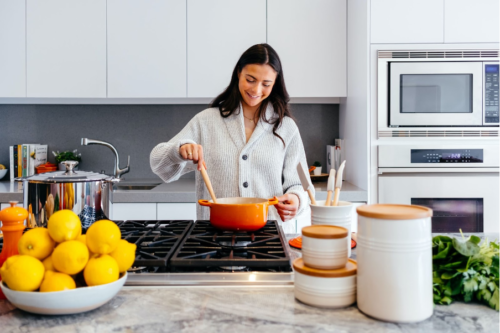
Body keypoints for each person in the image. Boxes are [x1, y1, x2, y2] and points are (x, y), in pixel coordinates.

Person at [150, 43, 313, 231]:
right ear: (238, 73)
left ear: (275, 83)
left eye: (266, 84)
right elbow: (158, 164)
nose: (256, 90)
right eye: (250, 79)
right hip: (214, 239)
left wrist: (296, 199)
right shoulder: (207, 121)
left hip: (269, 239)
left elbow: (299, 184)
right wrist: (178, 150)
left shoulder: (286, 128)